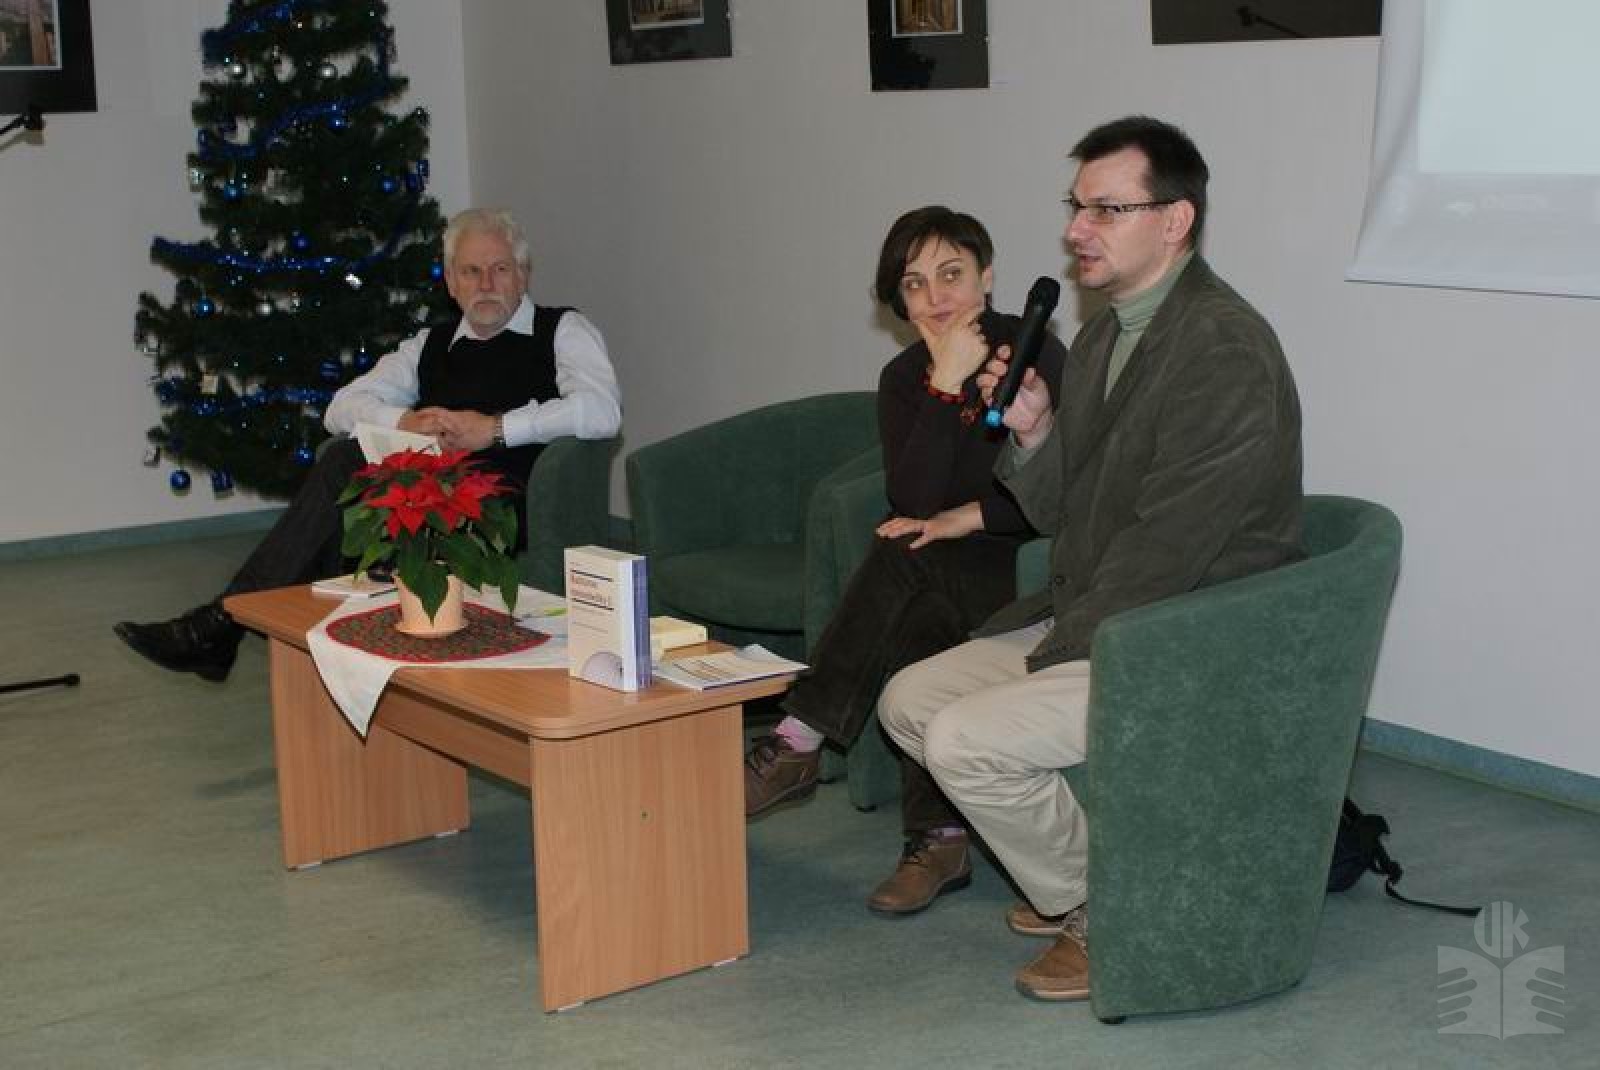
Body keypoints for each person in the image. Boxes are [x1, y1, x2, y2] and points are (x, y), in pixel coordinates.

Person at [877, 117, 1304, 1001]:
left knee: (963, 739)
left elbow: (1169, 544)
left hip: (1183, 631)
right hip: (1101, 610)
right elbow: (1063, 511)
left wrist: (1057, 650)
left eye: (1106, 209)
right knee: (908, 701)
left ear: (1175, 220)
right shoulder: (1110, 331)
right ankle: (1078, 879)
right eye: (1076, 207)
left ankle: (1117, 906)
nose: (1077, 230)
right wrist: (1036, 435)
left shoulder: (1222, 348)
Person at [115, 208, 622, 681]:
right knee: (342, 463)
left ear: (523, 274)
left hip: (503, 503)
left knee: (341, 509)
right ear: (451, 283)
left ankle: (221, 627)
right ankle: (272, 647)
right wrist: (405, 420)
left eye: (500, 269)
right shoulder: (429, 344)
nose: (486, 283)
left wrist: (496, 429)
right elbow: (341, 407)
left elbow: (601, 410)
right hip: (423, 499)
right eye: (471, 271)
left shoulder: (562, 330)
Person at [742, 206, 1066, 915]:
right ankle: (938, 840)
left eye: (951, 274)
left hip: (1030, 567)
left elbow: (1057, 491)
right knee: (920, 601)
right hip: (944, 564)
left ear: (986, 276)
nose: (936, 296)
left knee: (905, 552)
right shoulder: (903, 377)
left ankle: (800, 737)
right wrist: (944, 384)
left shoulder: (1033, 351)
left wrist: (964, 517)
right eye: (915, 284)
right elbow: (912, 496)